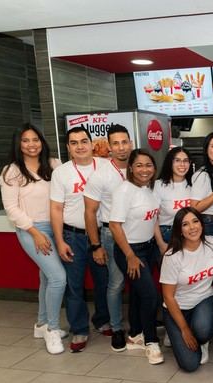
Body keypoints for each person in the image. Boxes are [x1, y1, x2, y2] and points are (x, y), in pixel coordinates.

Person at [0, 123, 67, 354]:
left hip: (56, 227)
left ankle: (41, 324)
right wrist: (36, 233)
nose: (31, 145)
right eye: (26, 140)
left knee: (47, 278)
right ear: (18, 144)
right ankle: (53, 330)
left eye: (35, 139)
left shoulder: (54, 164)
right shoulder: (12, 171)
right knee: (58, 278)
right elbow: (11, 209)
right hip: (32, 230)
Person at [50, 126, 110, 353]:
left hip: (102, 235)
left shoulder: (105, 167)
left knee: (103, 282)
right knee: (74, 286)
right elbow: (56, 209)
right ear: (68, 148)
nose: (80, 146)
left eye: (84, 141)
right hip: (72, 236)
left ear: (92, 143)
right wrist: (59, 241)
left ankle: (102, 319)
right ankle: (80, 329)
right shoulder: (61, 173)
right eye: (74, 143)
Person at [109, 149, 165, 365]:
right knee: (151, 295)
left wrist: (160, 244)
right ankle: (151, 342)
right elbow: (114, 225)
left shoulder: (149, 189)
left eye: (148, 165)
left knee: (138, 294)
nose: (144, 170)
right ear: (130, 167)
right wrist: (130, 255)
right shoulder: (124, 190)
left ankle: (135, 335)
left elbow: (153, 220)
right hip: (130, 251)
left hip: (149, 247)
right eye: (139, 165)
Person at [83, 123, 132, 352]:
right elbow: (90, 212)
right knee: (117, 282)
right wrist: (96, 245)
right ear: (109, 147)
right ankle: (116, 328)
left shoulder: (139, 167)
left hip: (139, 233)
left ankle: (139, 323)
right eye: (116, 143)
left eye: (125, 142)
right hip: (112, 234)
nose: (121, 147)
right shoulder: (101, 175)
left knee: (139, 280)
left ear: (130, 143)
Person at [160, 207, 213, 372]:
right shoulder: (172, 256)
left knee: (202, 330)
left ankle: (202, 338)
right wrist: (184, 330)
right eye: (185, 224)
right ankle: (180, 330)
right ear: (179, 230)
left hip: (205, 299)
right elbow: (168, 297)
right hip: (178, 308)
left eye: (195, 221)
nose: (192, 227)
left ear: (202, 224)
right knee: (190, 365)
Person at [154, 147, 193, 245]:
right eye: (177, 160)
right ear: (170, 163)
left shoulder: (195, 184)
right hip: (167, 235)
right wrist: (160, 243)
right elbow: (153, 219)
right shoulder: (158, 185)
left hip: (191, 234)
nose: (182, 164)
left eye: (185, 161)